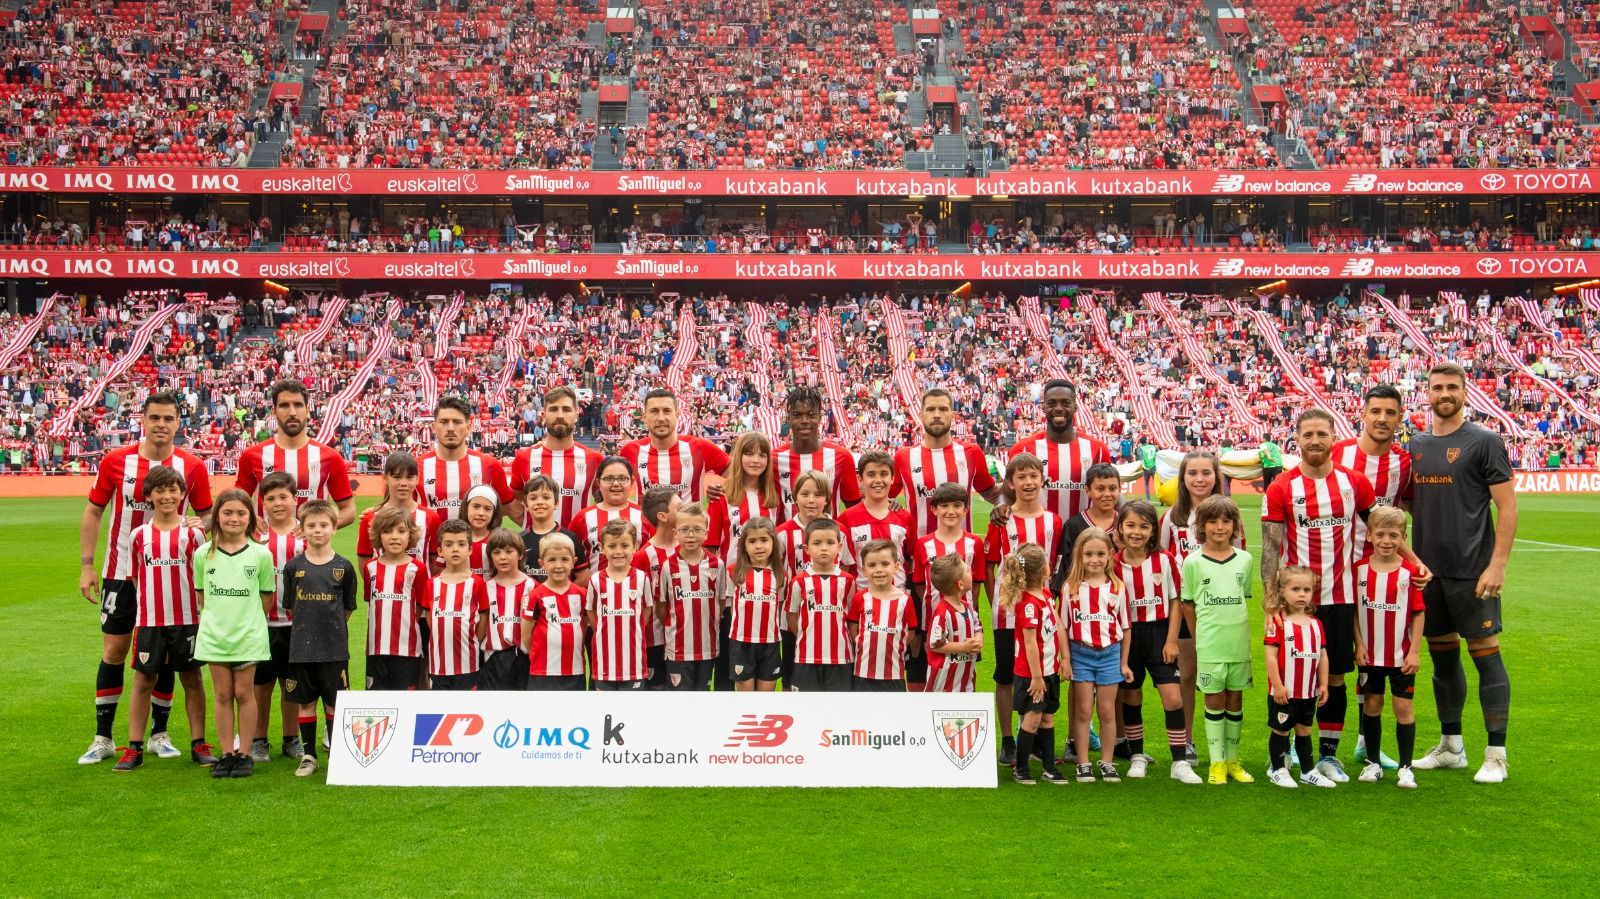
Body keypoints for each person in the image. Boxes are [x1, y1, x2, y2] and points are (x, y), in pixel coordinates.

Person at [79, 391, 213, 766]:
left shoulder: (191, 466)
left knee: (167, 653)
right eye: (155, 417)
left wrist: (199, 523)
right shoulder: (115, 461)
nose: (161, 425)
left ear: (178, 423)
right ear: (143, 420)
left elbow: (208, 515)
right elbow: (93, 512)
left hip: (171, 576)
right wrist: (87, 565)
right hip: (120, 572)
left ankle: (159, 734)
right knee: (114, 651)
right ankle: (103, 738)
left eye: (168, 418)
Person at [1408, 362, 1516, 784]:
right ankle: (1451, 746)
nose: (1444, 394)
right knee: (1443, 658)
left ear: (1465, 393)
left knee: (1486, 655)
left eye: (1452, 387)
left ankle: (1496, 755)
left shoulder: (1484, 441)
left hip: (1474, 571)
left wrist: (1497, 564)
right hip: (1429, 574)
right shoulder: (1417, 444)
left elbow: (1506, 507)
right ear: (1428, 393)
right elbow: (1411, 503)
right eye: (1437, 387)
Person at [1262, 409, 1377, 784]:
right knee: (1290, 679)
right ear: (1297, 439)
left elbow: (1380, 528)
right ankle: (1283, 754)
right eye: (1308, 434)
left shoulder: (1354, 482)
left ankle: (1328, 756)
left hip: (1340, 598)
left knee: (1336, 677)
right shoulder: (1282, 487)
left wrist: (1412, 561)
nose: (1315, 440)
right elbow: (1270, 548)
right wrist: (1271, 602)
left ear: (1333, 438)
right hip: (1297, 604)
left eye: (1321, 434)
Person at [1332, 383, 1419, 770]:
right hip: (1338, 570)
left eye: (1390, 413)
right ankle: (1305, 742)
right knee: (1337, 656)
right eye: (1376, 411)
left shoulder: (1404, 463)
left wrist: (1412, 561)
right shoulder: (1339, 453)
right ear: (1363, 414)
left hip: (1384, 572)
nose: (1382, 419)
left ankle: (1365, 744)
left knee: (1377, 655)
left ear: (1399, 419)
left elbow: (1402, 516)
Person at [111, 466, 212, 772]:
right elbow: (135, 578)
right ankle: (134, 748)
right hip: (150, 620)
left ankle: (199, 745)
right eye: (160, 490)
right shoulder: (139, 535)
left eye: (173, 490)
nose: (167, 496)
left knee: (192, 678)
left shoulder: (194, 534)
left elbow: (203, 577)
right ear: (148, 496)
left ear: (182, 495)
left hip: (188, 618)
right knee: (143, 680)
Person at [984, 452, 1065, 763]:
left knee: (1040, 670)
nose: (1029, 482)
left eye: (1034, 476)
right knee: (1006, 674)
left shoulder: (1053, 521)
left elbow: (1056, 564)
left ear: (1042, 480)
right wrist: (997, 601)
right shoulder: (1002, 520)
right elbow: (990, 565)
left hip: (1041, 612)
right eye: (1021, 477)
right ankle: (1008, 740)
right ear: (1010, 483)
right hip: (1007, 613)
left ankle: (1034, 741)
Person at [192, 489, 276, 778]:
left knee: (244, 692)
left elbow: (266, 598)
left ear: (250, 518)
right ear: (217, 516)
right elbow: (203, 597)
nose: (234, 518)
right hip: (215, 635)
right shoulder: (203, 554)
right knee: (223, 693)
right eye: (227, 512)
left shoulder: (261, 554)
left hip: (248, 635)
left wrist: (246, 620)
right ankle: (227, 753)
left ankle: (245, 753)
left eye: (241, 513)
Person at [1158, 450, 1234, 762]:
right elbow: (1161, 559)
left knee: (1223, 678)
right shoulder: (1172, 517)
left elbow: (1238, 558)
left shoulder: (1228, 514)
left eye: (1206, 473)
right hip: (1184, 607)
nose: (1199, 479)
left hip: (1220, 608)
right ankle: (1187, 740)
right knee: (1187, 674)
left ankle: (1224, 744)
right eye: (1192, 473)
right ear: (1182, 478)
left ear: (1216, 477)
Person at [1114, 501, 1194, 782]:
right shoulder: (1113, 563)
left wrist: (1172, 640)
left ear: (1153, 531)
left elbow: (1175, 601)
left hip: (1160, 634)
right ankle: (1137, 755)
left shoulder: (1164, 559)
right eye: (1130, 525)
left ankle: (1179, 761)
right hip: (1128, 636)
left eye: (1143, 526)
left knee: (1173, 697)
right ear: (1120, 529)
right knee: (1131, 695)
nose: (1136, 532)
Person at [279, 499, 358, 779]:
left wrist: (329, 629)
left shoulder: (344, 567)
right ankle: (309, 755)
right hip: (301, 650)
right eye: (311, 525)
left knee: (334, 703)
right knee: (305, 703)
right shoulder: (293, 567)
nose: (317, 530)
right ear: (302, 529)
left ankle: (338, 755)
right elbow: (291, 607)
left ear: (334, 528)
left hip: (334, 650)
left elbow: (347, 609)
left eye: (324, 525)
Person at [1180, 495, 1255, 786]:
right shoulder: (1193, 562)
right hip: (1210, 644)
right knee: (1214, 699)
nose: (1220, 527)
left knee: (1235, 700)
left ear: (1235, 525)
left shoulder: (1245, 559)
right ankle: (1216, 762)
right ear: (1201, 526)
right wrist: (1199, 637)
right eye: (1212, 521)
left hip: (1238, 642)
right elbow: (1188, 605)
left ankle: (1233, 760)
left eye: (1226, 521)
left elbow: (1242, 597)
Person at [1355, 506, 1426, 788]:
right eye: (1381, 534)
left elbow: (1418, 613)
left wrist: (1415, 651)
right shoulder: (1359, 570)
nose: (1386, 541)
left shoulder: (1410, 572)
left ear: (1403, 538)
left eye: (1393, 535)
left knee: (1403, 707)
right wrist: (1359, 644)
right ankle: (1373, 762)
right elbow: (1354, 612)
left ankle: (1406, 767)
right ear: (1369, 535)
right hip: (1370, 656)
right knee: (1372, 704)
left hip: (1401, 656)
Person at [233, 378, 355, 527]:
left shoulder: (330, 457)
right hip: (265, 542)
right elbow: (236, 506)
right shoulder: (252, 456)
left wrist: (318, 526)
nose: (292, 412)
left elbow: (348, 510)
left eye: (298, 405)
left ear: (307, 410)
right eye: (284, 405)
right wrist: (249, 520)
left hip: (311, 543)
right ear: (274, 411)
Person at [1061, 529, 1131, 783]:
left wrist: (1124, 662)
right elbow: (1063, 627)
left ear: (1110, 555)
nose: (1094, 559)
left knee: (1107, 711)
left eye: (1100, 554)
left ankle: (1107, 762)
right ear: (1079, 555)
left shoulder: (1117, 587)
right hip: (1081, 654)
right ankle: (1083, 763)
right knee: (1083, 711)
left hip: (1109, 655)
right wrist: (1066, 659)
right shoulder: (1070, 587)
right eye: (1088, 554)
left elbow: (1125, 627)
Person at [1000, 544, 1067, 785]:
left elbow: (1056, 628)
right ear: (1045, 570)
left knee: (1047, 718)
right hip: (1032, 674)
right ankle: (1021, 768)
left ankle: (1049, 768)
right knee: (1032, 718)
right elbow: (1030, 643)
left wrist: (1064, 659)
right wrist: (1037, 677)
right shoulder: (1029, 604)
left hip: (1049, 669)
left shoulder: (1046, 596)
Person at [1263, 566, 1336, 789]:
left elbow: (1323, 656)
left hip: (1307, 691)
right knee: (1281, 730)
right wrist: (1277, 685)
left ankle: (1307, 771)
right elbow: (1270, 656)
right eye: (1295, 589)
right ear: (1282, 591)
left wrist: (1323, 684)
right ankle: (1278, 770)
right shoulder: (1278, 623)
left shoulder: (1316, 624)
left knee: (1305, 730)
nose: (1302, 594)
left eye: (1307, 589)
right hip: (1284, 692)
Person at [909, 482, 985, 691]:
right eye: (944, 506)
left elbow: (976, 586)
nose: (951, 511)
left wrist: (964, 612)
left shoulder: (974, 543)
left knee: (963, 676)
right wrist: (938, 609)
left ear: (966, 509)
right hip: (932, 622)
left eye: (957, 505)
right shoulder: (923, 544)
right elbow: (920, 585)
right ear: (934, 509)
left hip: (964, 625)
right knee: (931, 675)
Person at [250, 472, 304, 763]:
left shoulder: (305, 535)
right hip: (263, 624)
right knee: (261, 684)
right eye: (271, 498)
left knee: (291, 683)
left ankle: (290, 738)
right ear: (263, 503)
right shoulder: (255, 536)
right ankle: (258, 739)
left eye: (284, 497)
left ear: (295, 499)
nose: (278, 503)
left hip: (296, 624)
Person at [894, 388, 1001, 535]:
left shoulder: (971, 453)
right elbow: (880, 498)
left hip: (962, 549)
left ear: (952, 415)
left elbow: (992, 494)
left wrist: (1012, 493)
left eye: (943, 409)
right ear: (921, 415)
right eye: (930, 409)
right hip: (917, 549)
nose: (937, 415)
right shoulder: (903, 457)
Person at [1006, 379, 1111, 521]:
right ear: (1043, 407)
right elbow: (1007, 494)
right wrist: (1000, 506)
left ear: (1075, 407)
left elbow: (1111, 490)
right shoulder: (1023, 449)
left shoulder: (1098, 450)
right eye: (1051, 403)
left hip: (1083, 533)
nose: (1058, 408)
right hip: (1037, 533)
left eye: (1066, 403)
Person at [508, 386, 602, 529]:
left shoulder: (594, 459)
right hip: (537, 543)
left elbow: (606, 503)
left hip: (578, 543)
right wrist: (529, 525)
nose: (560, 415)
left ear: (576, 414)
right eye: (553, 409)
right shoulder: (524, 458)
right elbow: (513, 500)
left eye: (566, 409)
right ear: (544, 415)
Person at [655, 505, 724, 691]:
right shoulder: (668, 566)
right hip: (678, 649)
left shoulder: (717, 565)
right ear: (675, 533)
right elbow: (661, 606)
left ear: (706, 533)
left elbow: (720, 601)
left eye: (697, 529)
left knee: (702, 696)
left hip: (707, 647)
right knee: (679, 699)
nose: (691, 535)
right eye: (685, 530)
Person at [362, 505, 431, 690]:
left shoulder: (417, 569)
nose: (394, 536)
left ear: (410, 535)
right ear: (378, 535)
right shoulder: (370, 568)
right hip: (376, 649)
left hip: (407, 649)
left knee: (405, 701)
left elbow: (420, 606)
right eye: (387, 531)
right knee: (377, 701)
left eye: (401, 531)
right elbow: (371, 602)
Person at [621, 388, 730, 501]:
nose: (661, 418)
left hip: (689, 513)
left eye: (667, 411)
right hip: (644, 513)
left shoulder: (700, 448)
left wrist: (721, 489)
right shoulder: (630, 451)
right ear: (644, 418)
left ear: (677, 415)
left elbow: (737, 476)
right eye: (654, 411)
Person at [784, 519, 854, 692]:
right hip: (806, 657)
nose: (824, 548)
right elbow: (792, 616)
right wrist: (806, 635)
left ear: (839, 547)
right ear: (806, 548)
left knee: (839, 705)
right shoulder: (799, 582)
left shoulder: (848, 581)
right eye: (817, 543)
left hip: (840, 657)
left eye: (830, 543)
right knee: (806, 706)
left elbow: (852, 616)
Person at [419, 396, 513, 521]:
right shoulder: (417, 467)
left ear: (469, 428)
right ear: (433, 427)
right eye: (444, 422)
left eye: (457, 422)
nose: (450, 428)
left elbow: (509, 508)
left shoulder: (489, 465)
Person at [586, 519, 653, 690]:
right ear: (602, 548)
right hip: (604, 663)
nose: (618, 551)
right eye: (612, 546)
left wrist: (634, 626)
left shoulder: (642, 578)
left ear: (635, 547)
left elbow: (647, 610)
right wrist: (603, 628)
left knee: (632, 705)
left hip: (634, 663)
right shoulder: (595, 580)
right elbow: (591, 612)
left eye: (624, 546)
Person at [774, 385, 861, 516]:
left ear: (820, 418)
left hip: (829, 529)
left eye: (811, 415)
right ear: (789, 418)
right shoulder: (774, 459)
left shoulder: (842, 457)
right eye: (797, 415)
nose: (804, 420)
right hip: (787, 530)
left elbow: (854, 508)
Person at [846, 540, 919, 692]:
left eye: (885, 564)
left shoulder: (905, 600)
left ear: (896, 566)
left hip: (894, 675)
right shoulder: (860, 598)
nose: (879, 570)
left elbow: (910, 634)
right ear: (864, 570)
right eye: (872, 565)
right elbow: (853, 629)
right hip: (863, 673)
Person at [723, 517, 784, 691]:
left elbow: (779, 608)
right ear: (744, 545)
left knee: (765, 695)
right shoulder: (734, 572)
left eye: (764, 540)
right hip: (742, 642)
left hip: (770, 642)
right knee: (745, 695)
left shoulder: (780, 575)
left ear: (773, 542)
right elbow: (731, 606)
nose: (758, 546)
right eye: (752, 541)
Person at [429, 519, 490, 690]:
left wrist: (473, 640)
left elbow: (483, 617)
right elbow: (429, 618)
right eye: (449, 544)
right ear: (440, 551)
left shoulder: (477, 583)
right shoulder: (432, 584)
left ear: (470, 549)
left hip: (467, 663)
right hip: (439, 664)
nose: (455, 549)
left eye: (461, 544)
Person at [837, 454, 914, 587]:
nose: (878, 480)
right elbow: (843, 563)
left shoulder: (905, 517)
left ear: (892, 478)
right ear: (861, 479)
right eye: (871, 474)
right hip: (861, 595)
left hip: (898, 595)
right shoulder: (846, 519)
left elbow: (910, 560)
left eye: (884, 474)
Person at [522, 534, 587, 691]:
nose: (558, 565)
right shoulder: (535, 596)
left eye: (564, 559)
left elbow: (584, 625)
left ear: (573, 562)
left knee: (574, 707)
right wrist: (537, 656)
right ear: (541, 563)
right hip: (543, 671)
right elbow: (526, 633)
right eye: (551, 560)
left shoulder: (582, 594)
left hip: (575, 669)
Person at [356, 451, 440, 572]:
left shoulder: (431, 517)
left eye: (409, 477)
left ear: (417, 479)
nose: (403, 483)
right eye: (397, 477)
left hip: (422, 585)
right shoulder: (370, 518)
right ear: (385, 478)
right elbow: (364, 561)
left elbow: (436, 561)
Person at [633, 485, 682, 689]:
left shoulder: (687, 548)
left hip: (681, 637)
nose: (685, 511)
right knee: (656, 690)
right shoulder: (643, 556)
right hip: (653, 639)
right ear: (663, 516)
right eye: (679, 507)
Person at [707, 431, 782, 559]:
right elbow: (710, 547)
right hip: (730, 571)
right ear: (739, 457)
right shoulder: (720, 495)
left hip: (767, 571)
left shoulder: (773, 497)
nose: (756, 460)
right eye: (749, 454)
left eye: (762, 455)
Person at [569, 456, 651, 561]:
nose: (616, 484)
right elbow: (571, 555)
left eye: (622, 478)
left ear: (632, 481)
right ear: (598, 483)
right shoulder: (583, 517)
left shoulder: (645, 515)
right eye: (609, 479)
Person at [481, 529, 534, 691]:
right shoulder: (485, 588)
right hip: (493, 658)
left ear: (520, 554)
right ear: (490, 557)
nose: (502, 557)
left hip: (523, 657)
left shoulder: (531, 586)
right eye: (496, 552)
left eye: (509, 551)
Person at [924, 554, 983, 693]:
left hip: (966, 680)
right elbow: (935, 644)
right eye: (967, 571)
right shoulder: (942, 613)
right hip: (944, 684)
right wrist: (963, 647)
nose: (971, 572)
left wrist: (978, 640)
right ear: (960, 584)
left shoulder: (968, 607)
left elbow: (978, 627)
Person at [518, 475, 589, 586]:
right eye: (533, 498)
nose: (539, 502)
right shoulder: (519, 540)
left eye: (546, 497)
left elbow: (583, 577)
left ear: (556, 503)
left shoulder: (569, 537)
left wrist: (564, 593)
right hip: (528, 597)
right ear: (526, 505)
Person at [1058, 461, 1122, 580]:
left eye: (1112, 488)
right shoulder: (1073, 526)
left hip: (1119, 590)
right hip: (1080, 590)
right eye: (1100, 489)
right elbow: (1063, 568)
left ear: (1119, 489)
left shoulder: (1125, 525)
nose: (1107, 494)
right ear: (1088, 490)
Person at [462, 486, 503, 576]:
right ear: (466, 508)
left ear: (494, 513)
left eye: (487, 509)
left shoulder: (500, 541)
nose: (481, 513)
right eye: (476, 506)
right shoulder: (455, 539)